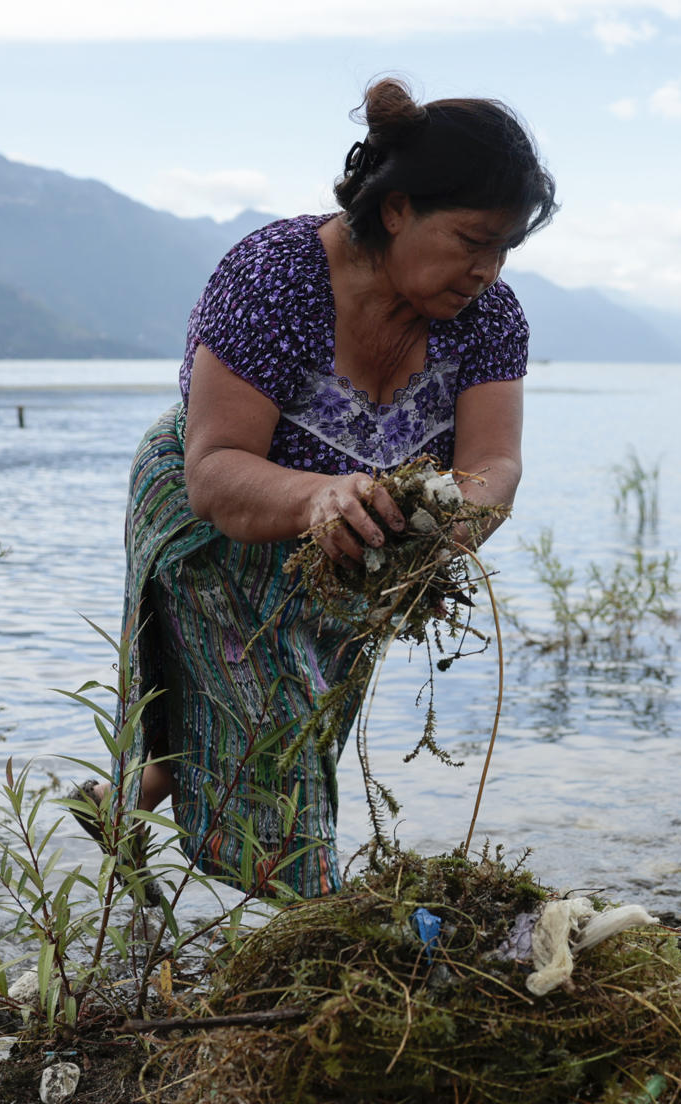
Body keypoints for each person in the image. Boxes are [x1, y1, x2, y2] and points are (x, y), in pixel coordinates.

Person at [107, 78, 556, 898]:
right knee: (281, 716)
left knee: (302, 706)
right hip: (218, 515)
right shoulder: (275, 277)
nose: (487, 269)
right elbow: (217, 468)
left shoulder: (490, 319)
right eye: (470, 240)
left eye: (505, 249)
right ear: (397, 209)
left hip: (364, 542)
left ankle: (121, 803)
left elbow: (497, 463)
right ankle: (312, 922)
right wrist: (317, 499)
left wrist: (451, 527)